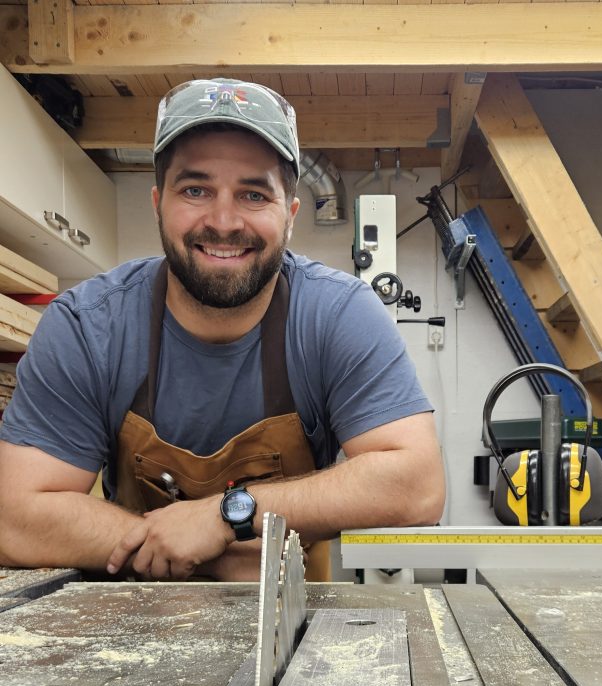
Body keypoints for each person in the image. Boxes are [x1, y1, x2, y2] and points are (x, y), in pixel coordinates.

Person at [0, 78, 445, 581]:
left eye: (254, 194)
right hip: (125, 627)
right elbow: (14, 517)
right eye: (195, 189)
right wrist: (187, 546)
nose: (224, 220)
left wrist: (227, 515)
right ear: (158, 203)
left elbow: (417, 485)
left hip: (290, 629)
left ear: (291, 215)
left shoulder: (338, 314)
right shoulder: (87, 326)